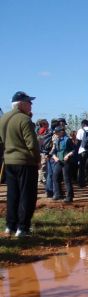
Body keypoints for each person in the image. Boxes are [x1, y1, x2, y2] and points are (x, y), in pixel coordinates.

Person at [0, 91, 40, 237]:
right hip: (25, 162)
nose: (31, 105)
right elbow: (32, 144)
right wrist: (37, 160)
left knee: (12, 194)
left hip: (9, 162)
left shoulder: (3, 118)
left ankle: (10, 226)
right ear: (21, 104)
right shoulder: (25, 120)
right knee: (27, 195)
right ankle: (23, 228)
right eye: (29, 102)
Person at [50, 126, 75, 202]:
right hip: (58, 161)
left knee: (66, 179)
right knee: (55, 176)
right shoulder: (56, 140)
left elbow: (73, 150)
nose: (56, 134)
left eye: (57, 133)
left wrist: (68, 155)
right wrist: (54, 157)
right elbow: (54, 151)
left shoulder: (68, 140)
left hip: (66, 161)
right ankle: (58, 194)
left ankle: (69, 197)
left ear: (61, 132)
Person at [76, 119, 88, 188]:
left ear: (82, 124)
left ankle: (81, 183)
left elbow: (78, 141)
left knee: (82, 167)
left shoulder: (80, 130)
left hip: (82, 150)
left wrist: (76, 151)